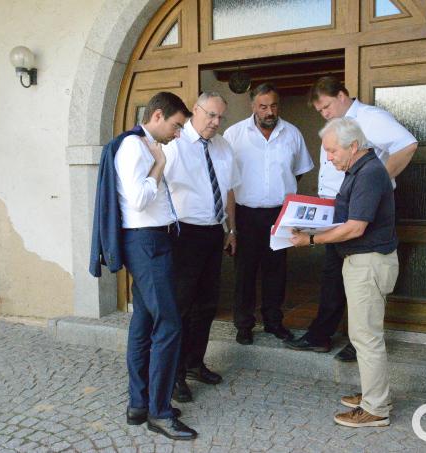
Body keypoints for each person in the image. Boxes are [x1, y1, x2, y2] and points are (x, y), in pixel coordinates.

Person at [284, 76, 417, 362]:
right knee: (333, 274)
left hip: (359, 207)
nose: (325, 113)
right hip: (335, 205)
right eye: (319, 111)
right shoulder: (337, 129)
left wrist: (375, 181)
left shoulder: (370, 117)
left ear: (343, 95)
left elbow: (407, 144)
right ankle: (323, 335)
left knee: (362, 276)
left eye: (327, 107)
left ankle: (359, 342)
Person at [90, 91, 197, 440]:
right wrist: (159, 165)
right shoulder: (136, 147)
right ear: (157, 116)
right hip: (147, 242)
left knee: (144, 321)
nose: (178, 133)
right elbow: (137, 199)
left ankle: (140, 404)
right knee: (169, 324)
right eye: (177, 125)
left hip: (153, 241)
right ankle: (160, 412)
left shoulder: (145, 145)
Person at [291, 117, 399, 427]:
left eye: (332, 150)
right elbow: (343, 213)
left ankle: (376, 408)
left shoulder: (368, 174)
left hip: (368, 263)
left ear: (353, 146)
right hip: (363, 261)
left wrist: (310, 239)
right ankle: (374, 394)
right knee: (363, 334)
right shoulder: (360, 169)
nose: (328, 157)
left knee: (366, 337)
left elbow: (354, 227)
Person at [162, 92, 239, 403]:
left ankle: (195, 363)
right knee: (181, 307)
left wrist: (231, 229)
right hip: (183, 234)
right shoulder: (175, 144)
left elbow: (229, 189)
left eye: (221, 117)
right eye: (210, 115)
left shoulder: (222, 146)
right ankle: (175, 374)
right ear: (195, 110)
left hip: (212, 233)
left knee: (207, 304)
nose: (215, 122)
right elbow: (156, 188)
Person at [223, 83, 314, 345]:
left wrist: (279, 189)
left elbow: (300, 169)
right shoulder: (234, 134)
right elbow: (226, 179)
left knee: (277, 270)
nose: (269, 111)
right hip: (245, 213)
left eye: (273, 105)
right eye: (263, 106)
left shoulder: (292, 134)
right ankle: (244, 325)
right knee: (245, 272)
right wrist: (231, 227)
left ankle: (274, 321)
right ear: (253, 106)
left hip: (279, 214)